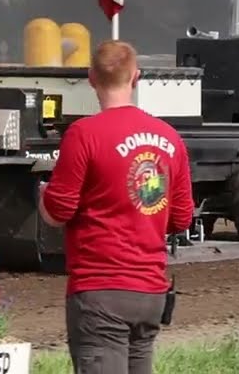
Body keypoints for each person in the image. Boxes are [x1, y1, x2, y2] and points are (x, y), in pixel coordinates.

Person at [39, 40, 193, 374]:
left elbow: (57, 212)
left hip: (100, 293)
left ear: (91, 77)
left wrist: (42, 194)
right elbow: (180, 219)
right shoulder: (169, 138)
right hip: (151, 292)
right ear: (136, 77)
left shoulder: (83, 134)